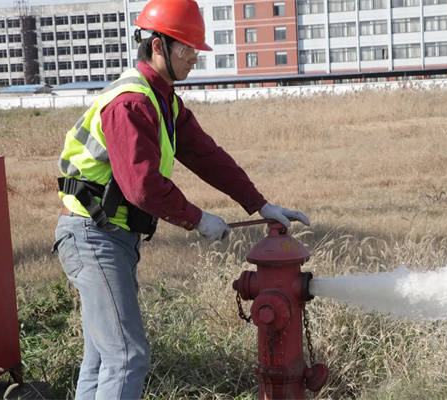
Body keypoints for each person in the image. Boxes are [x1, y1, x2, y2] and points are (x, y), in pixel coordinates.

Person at [51, 0, 310, 398]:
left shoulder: (164, 100)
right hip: (92, 239)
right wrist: (198, 218)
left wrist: (260, 204)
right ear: (158, 46)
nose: (194, 59)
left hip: (111, 238)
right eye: (187, 49)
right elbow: (142, 186)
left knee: (103, 359)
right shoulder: (131, 103)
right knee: (126, 357)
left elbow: (207, 156)